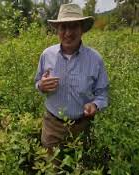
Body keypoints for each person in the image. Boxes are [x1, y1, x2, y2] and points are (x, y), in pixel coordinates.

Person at [34, 3, 109, 159]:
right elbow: (37, 83)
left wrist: (95, 105)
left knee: (78, 169)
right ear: (57, 30)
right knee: (51, 169)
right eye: (63, 27)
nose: (68, 33)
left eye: (73, 27)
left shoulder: (95, 59)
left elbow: (102, 94)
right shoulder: (46, 55)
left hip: (82, 127)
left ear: (81, 29)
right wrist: (41, 85)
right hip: (52, 126)